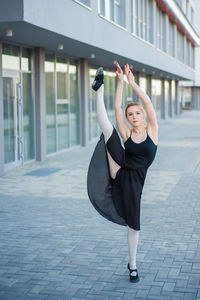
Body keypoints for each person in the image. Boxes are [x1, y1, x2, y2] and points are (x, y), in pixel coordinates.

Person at [87, 63, 158, 282]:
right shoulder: (126, 133)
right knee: (108, 128)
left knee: (133, 225)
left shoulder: (152, 131)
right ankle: (98, 90)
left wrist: (132, 83)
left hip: (135, 183)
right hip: (120, 168)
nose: (134, 116)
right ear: (128, 118)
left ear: (143, 115)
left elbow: (146, 101)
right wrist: (119, 82)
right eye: (131, 114)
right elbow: (117, 108)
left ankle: (132, 263)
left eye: (137, 113)